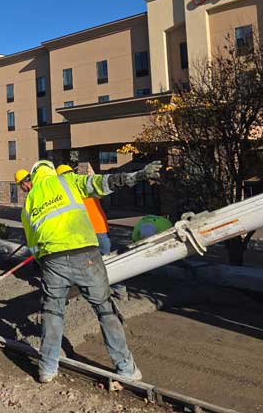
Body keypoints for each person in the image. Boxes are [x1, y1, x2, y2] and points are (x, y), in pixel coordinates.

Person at [22, 159, 162, 383]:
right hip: (85, 254)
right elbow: (101, 182)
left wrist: (45, 262)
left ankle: (47, 368)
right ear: (50, 170)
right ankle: (126, 368)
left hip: (52, 260)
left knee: (52, 312)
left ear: (33, 177)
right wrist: (137, 176)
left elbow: (32, 244)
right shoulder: (66, 181)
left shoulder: (29, 201)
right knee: (104, 309)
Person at [56, 164, 125, 300]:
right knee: (107, 260)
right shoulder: (85, 184)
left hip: (87, 232)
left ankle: (82, 291)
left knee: (84, 262)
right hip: (102, 228)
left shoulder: (69, 191)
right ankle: (120, 289)